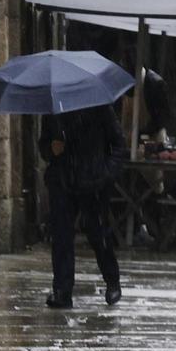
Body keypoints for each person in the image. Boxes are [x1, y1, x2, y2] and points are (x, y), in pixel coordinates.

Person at [38, 104, 126, 309]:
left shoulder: (99, 107)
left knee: (97, 233)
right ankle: (62, 290)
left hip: (92, 180)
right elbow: (44, 144)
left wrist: (106, 173)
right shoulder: (53, 109)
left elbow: (119, 145)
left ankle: (112, 280)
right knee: (61, 235)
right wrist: (51, 149)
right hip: (62, 180)